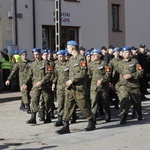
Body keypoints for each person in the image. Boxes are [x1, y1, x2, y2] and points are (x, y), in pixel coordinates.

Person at [55, 40, 95, 134]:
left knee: (83, 105)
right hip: (70, 88)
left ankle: (91, 121)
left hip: (79, 88)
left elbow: (83, 73)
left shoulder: (81, 59)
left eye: (68, 47)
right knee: (67, 106)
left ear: (72, 47)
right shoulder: (71, 59)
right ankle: (66, 126)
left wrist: (72, 80)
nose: (67, 49)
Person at [21, 48, 54, 124]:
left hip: (45, 86)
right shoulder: (33, 64)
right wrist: (25, 83)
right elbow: (29, 75)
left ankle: (48, 117)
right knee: (34, 100)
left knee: (47, 101)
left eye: (37, 54)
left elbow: (49, 74)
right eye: (34, 55)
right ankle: (33, 118)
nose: (35, 56)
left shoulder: (46, 63)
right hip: (36, 86)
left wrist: (41, 82)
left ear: (40, 54)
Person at [116, 46, 143, 124]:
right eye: (123, 52)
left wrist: (131, 75)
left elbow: (140, 72)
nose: (124, 54)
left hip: (133, 85)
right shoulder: (120, 62)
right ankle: (123, 116)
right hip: (123, 85)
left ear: (130, 53)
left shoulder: (135, 62)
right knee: (124, 100)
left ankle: (138, 112)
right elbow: (116, 73)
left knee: (136, 101)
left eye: (126, 52)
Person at [88, 49, 111, 124]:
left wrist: (102, 80)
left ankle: (107, 113)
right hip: (94, 86)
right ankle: (93, 117)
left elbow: (108, 73)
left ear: (100, 55)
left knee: (105, 101)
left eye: (95, 55)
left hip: (103, 87)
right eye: (92, 55)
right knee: (94, 101)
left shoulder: (104, 63)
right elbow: (89, 75)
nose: (93, 56)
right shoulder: (90, 64)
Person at [52, 50, 69, 126]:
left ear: (64, 56)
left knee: (67, 103)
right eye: (58, 57)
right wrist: (53, 83)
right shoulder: (56, 65)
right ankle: (60, 119)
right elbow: (56, 75)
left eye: (61, 57)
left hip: (67, 87)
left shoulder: (68, 64)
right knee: (60, 103)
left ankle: (68, 118)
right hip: (59, 87)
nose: (60, 58)